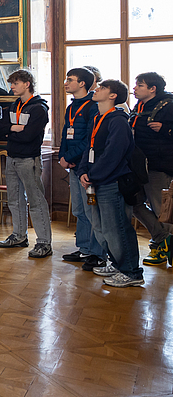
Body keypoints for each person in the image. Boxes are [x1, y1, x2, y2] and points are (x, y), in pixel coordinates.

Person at [78, 80, 144, 287]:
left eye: (102, 88)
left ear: (113, 96)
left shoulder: (118, 121)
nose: (96, 90)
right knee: (102, 227)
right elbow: (89, 149)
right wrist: (83, 171)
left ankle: (131, 272)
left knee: (117, 228)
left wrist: (93, 175)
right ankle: (117, 264)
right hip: (95, 181)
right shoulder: (98, 118)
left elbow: (113, 154)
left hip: (110, 182)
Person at [0, 69, 51, 257]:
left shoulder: (39, 108)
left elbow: (29, 136)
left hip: (29, 159)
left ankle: (44, 242)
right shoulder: (14, 106)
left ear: (27, 84)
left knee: (36, 201)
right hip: (12, 157)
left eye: (15, 83)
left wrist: (10, 132)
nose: (11, 86)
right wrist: (14, 128)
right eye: (11, 83)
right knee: (14, 199)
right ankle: (19, 235)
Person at [58, 68, 105, 270]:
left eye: (70, 79)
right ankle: (84, 248)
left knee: (91, 210)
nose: (66, 83)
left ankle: (97, 252)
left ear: (82, 83)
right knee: (79, 210)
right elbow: (65, 134)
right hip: (72, 166)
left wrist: (70, 157)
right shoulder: (71, 106)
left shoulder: (92, 106)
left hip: (85, 166)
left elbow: (89, 140)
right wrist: (62, 156)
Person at [130, 72, 173, 267]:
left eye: (140, 85)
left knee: (161, 209)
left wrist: (165, 129)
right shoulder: (138, 107)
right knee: (134, 203)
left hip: (159, 166)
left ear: (152, 89)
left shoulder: (168, 105)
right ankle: (162, 239)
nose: (135, 88)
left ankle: (163, 248)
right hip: (138, 166)